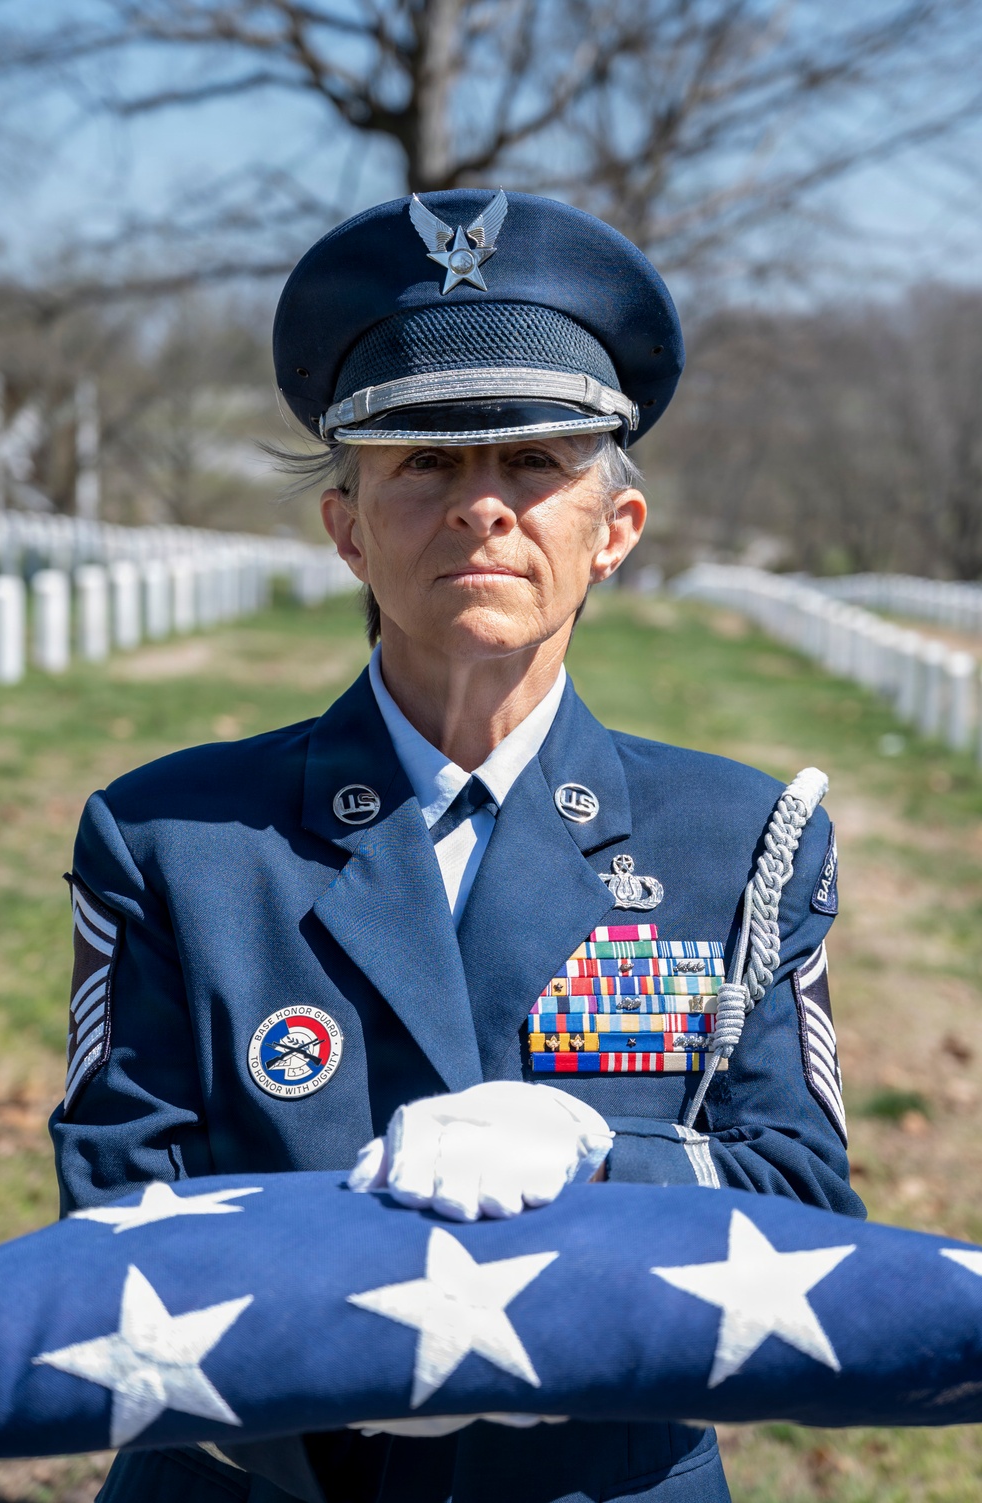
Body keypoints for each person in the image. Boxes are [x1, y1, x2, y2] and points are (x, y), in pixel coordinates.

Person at [52, 189, 862, 1503]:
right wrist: (348, 1361)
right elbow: (117, 1209)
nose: (483, 505)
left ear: (614, 533)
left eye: (535, 463)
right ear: (347, 529)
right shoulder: (172, 842)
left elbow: (804, 1200)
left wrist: (592, 1145)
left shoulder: (741, 845)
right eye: (424, 462)